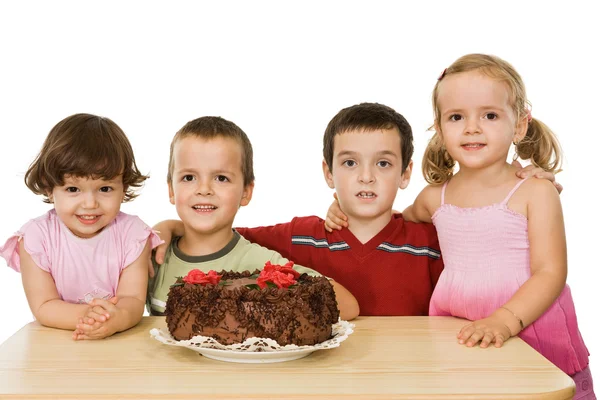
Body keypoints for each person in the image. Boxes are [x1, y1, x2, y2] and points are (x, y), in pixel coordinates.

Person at [331, 54, 592, 398]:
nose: (472, 127)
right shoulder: (433, 198)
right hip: (457, 335)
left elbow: (550, 272)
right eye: (456, 117)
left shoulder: (535, 192)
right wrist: (342, 207)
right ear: (439, 129)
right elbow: (388, 227)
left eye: (490, 115)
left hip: (529, 327)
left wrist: (505, 320)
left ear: (519, 125)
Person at [155, 103, 559, 317]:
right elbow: (225, 234)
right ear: (329, 173)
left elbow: (489, 248)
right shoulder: (300, 236)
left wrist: (517, 181)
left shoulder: (430, 240)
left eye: (382, 164)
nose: (366, 177)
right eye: (350, 163)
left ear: (404, 174)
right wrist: (171, 225)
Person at [147, 116, 359, 321]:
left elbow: (348, 307)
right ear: (171, 190)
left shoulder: (259, 263)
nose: (204, 189)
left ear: (246, 192)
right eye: (189, 177)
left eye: (221, 178)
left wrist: (266, 301)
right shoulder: (152, 257)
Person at [0, 114, 163, 340]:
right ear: (49, 188)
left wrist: (117, 318)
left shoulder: (133, 234)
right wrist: (92, 317)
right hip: (57, 345)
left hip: (119, 343)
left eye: (105, 189)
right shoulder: (35, 237)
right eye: (73, 189)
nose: (90, 204)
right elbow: (44, 306)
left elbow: (133, 299)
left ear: (123, 187)